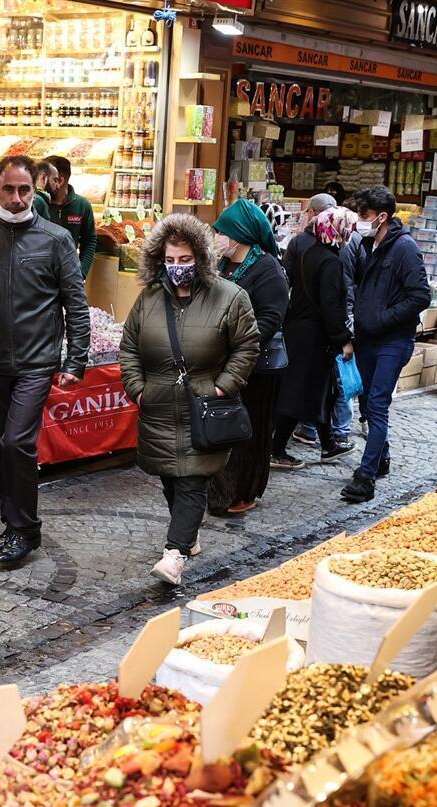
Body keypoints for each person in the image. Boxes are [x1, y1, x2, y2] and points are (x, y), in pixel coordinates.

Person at [0, 154, 90, 569]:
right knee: (1, 447)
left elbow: (75, 306)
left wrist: (76, 360)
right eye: (8, 189)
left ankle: (25, 529)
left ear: (34, 190)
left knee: (17, 442)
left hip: (37, 362)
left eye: (24, 189)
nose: (16, 197)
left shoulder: (57, 240)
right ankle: (13, 526)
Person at [119, 214, 260, 587]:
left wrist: (222, 387)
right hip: (159, 406)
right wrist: (138, 389)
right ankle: (189, 533)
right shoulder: (149, 298)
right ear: (158, 259)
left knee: (192, 480)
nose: (177, 268)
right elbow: (129, 346)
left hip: (204, 407)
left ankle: (175, 554)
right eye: (170, 260)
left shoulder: (230, 297)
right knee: (170, 476)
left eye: (185, 260)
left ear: (200, 257)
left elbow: (247, 346)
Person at [343, 185, 432, 504]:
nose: (359, 220)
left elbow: (421, 295)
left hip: (393, 339)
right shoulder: (368, 243)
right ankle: (381, 459)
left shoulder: (405, 248)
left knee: (377, 404)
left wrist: (383, 318)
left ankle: (366, 476)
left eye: (364, 215)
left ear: (382, 217)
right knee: (367, 403)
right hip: (368, 338)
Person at [204, 200, 288, 513]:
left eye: (222, 232)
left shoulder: (268, 269)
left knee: (249, 431)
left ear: (239, 234)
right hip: (224, 362)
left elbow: (269, 319)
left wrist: (235, 344)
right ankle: (219, 490)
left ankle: (243, 492)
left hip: (257, 367)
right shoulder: (224, 265)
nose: (218, 237)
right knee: (222, 429)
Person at [275, 200, 355, 467]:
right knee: (302, 392)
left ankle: (328, 443)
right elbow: (331, 305)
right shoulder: (332, 262)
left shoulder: (307, 252)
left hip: (297, 329)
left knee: (320, 389)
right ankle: (276, 449)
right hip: (314, 337)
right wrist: (343, 338)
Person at [33, 156, 98, 280]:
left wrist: (81, 273)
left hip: (69, 277)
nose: (40, 181)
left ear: (60, 180)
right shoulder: (38, 203)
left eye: (45, 177)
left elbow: (89, 240)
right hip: (40, 276)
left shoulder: (82, 205)